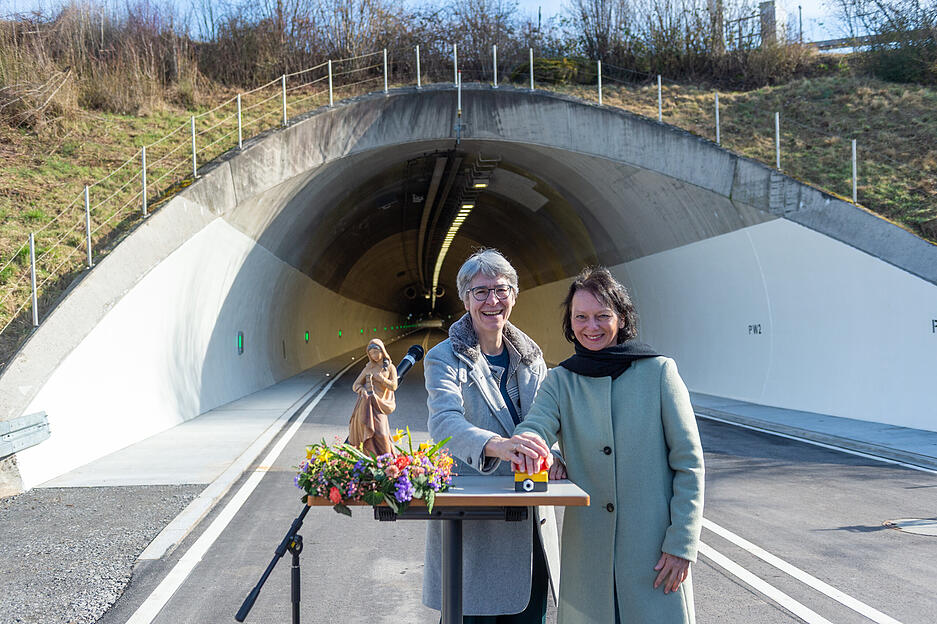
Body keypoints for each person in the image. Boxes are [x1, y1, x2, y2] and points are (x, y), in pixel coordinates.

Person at [509, 267, 705, 623]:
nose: (591, 326)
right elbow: (537, 425)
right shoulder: (560, 381)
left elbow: (689, 465)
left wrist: (682, 545)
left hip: (655, 554)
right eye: (580, 317)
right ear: (570, 323)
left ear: (622, 318)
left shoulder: (659, 372)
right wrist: (541, 450)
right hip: (589, 555)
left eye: (603, 316)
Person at [422, 248, 563, 622]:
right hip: (473, 530)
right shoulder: (444, 357)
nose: (492, 300)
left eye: (501, 290)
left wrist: (557, 456)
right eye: (480, 291)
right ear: (465, 299)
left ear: (514, 296)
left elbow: (550, 425)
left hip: (528, 525)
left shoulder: (532, 359)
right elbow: (444, 425)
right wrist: (499, 446)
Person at [348, 339, 398, 456]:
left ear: (382, 351)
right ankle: (369, 461)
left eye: (376, 352)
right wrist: (363, 390)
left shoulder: (390, 368)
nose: (374, 356)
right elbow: (356, 385)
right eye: (371, 354)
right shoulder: (368, 368)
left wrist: (382, 379)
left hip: (380, 404)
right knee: (366, 434)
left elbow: (394, 386)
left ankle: (386, 461)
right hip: (366, 405)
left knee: (382, 433)